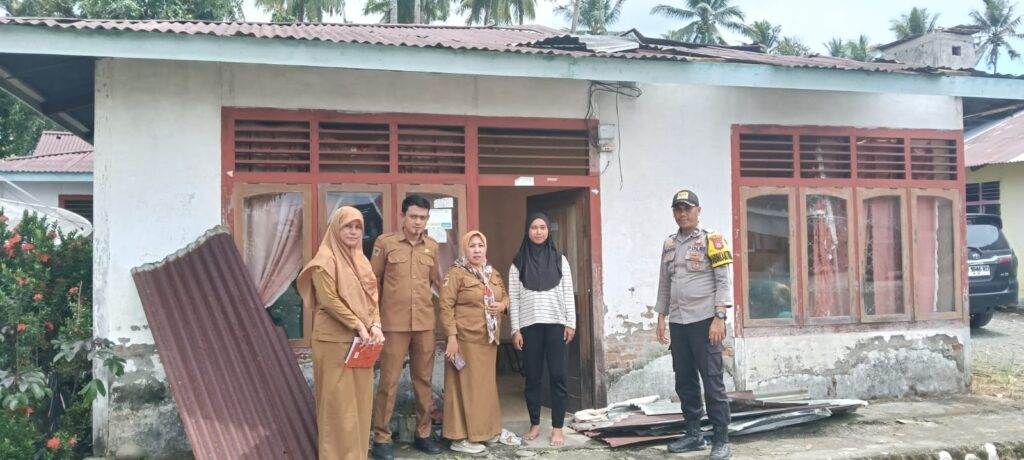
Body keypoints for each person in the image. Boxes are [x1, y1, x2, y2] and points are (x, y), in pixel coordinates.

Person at [297, 206, 385, 460]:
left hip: (362, 343)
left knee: (360, 403)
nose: (354, 232)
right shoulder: (325, 260)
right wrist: (359, 324)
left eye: (358, 227)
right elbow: (329, 300)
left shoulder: (361, 260)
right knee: (338, 407)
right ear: (336, 227)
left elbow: (372, 297)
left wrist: (376, 324)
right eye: (348, 226)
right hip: (334, 342)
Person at [654, 189, 734, 460]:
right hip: (678, 322)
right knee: (684, 380)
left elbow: (723, 281)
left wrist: (719, 317)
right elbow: (665, 283)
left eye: (687, 208)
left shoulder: (713, 239)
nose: (682, 213)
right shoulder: (669, 244)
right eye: (678, 209)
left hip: (705, 322)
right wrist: (661, 317)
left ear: (698, 211)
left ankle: (721, 439)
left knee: (712, 380)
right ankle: (693, 435)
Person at [369, 195, 442, 459]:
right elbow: (372, 281)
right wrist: (374, 318)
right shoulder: (385, 243)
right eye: (413, 216)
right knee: (388, 381)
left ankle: (424, 434)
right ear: (402, 216)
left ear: (427, 219)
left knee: (423, 381)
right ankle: (382, 437)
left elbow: (436, 282)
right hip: (393, 324)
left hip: (424, 323)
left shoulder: (432, 247)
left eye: (422, 218)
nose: (417, 222)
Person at [508, 212, 577, 447]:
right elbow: (514, 298)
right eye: (534, 227)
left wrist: (571, 323)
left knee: (558, 376)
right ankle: (535, 424)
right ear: (527, 231)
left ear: (548, 231)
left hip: (556, 326)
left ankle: (558, 428)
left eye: (543, 227)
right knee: (533, 378)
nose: (539, 231)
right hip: (530, 327)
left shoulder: (560, 260)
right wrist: (515, 329)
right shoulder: (518, 263)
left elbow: (568, 293)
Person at [439, 231, 508, 454]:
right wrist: (451, 338)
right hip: (464, 340)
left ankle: (485, 431)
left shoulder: (491, 273)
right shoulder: (456, 273)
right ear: (464, 249)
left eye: (480, 245)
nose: (477, 250)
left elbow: (504, 294)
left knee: (484, 388)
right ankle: (460, 437)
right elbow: (445, 307)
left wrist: (503, 305)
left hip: (487, 340)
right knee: (464, 388)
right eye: (472, 246)